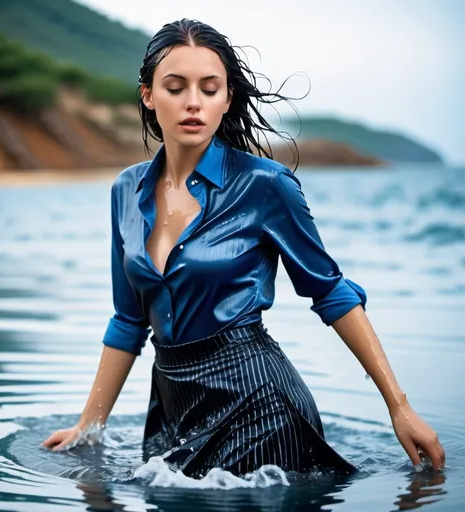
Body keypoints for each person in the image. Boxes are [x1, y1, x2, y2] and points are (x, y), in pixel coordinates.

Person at [42, 19, 445, 477]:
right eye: (175, 87)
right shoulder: (126, 190)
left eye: (209, 88)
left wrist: (399, 407)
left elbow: (331, 293)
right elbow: (128, 320)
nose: (193, 102)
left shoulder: (265, 185)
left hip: (258, 403)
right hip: (173, 406)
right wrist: (88, 425)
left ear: (227, 98)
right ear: (148, 96)